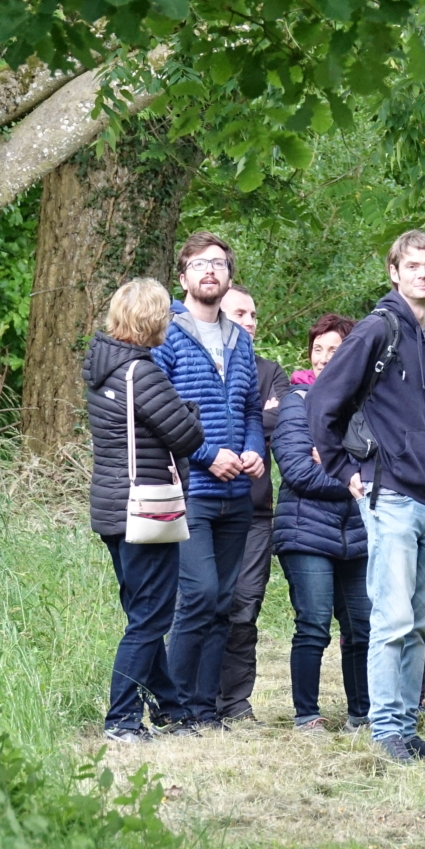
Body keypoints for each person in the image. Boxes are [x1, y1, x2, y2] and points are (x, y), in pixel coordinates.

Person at [308, 230, 425, 765]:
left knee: (420, 622)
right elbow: (323, 401)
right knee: (393, 619)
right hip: (391, 494)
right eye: (413, 265)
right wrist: (343, 467)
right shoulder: (377, 330)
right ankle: (387, 732)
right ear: (394, 272)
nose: (423, 273)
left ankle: (409, 727)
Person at [152, 233, 268, 732]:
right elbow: (155, 413)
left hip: (236, 495)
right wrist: (204, 454)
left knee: (223, 603)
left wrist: (253, 451)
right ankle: (172, 710)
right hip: (190, 491)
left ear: (227, 277)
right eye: (199, 264)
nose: (210, 271)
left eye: (218, 264)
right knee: (197, 596)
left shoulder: (241, 340)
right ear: (183, 278)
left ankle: (205, 710)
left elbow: (250, 411)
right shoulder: (167, 336)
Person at [84, 279, 206, 742]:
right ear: (152, 320)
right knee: (150, 617)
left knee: (143, 609)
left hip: (113, 507)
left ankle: (171, 710)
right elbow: (187, 438)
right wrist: (191, 412)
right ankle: (120, 720)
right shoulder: (141, 372)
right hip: (145, 508)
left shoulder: (103, 366)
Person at [271, 314, 369, 734]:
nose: (326, 358)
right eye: (318, 349)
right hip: (305, 530)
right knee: (312, 624)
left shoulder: (369, 403)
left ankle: (362, 715)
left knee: (362, 627)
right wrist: (353, 477)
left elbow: (385, 462)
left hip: (359, 535)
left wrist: (332, 462)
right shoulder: (296, 402)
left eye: (335, 349)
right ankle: (306, 715)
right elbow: (297, 470)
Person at [218, 282, 291, 725]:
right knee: (204, 603)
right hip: (201, 507)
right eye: (240, 314)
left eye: (253, 315)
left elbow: (278, 418)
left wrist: (258, 416)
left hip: (255, 513)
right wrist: (251, 419)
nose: (249, 322)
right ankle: (196, 699)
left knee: (245, 607)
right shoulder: (199, 363)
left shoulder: (269, 371)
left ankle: (236, 702)